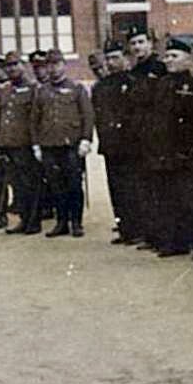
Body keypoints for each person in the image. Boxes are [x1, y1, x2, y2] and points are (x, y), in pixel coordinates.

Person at [146, 37, 193, 259]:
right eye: (167, 56)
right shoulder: (161, 84)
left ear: (187, 59)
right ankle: (175, 242)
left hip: (188, 149)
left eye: (174, 56)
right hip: (166, 149)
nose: (169, 60)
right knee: (169, 197)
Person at [31, 48, 94, 238]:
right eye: (49, 65)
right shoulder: (41, 91)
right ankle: (61, 222)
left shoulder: (76, 88)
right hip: (50, 145)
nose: (53, 69)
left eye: (57, 64)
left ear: (64, 65)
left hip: (71, 144)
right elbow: (34, 120)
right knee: (55, 185)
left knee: (74, 184)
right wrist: (36, 145)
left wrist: (86, 139)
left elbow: (88, 116)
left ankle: (76, 222)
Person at [124, 25, 167, 249]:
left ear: (151, 43)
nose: (137, 47)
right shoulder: (134, 71)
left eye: (141, 42)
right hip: (139, 134)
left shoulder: (159, 67)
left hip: (155, 134)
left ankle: (161, 236)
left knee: (157, 187)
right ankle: (150, 234)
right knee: (143, 186)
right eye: (133, 43)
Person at [92, 38, 138, 244]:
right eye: (108, 58)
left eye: (115, 58)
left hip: (130, 146)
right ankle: (125, 228)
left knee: (133, 187)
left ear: (125, 58)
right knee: (116, 188)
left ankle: (138, 229)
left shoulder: (132, 82)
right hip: (111, 145)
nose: (111, 63)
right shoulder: (100, 87)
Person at [0, 51, 42, 235]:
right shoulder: (6, 89)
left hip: (26, 144)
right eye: (9, 66)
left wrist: (36, 143)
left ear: (23, 66)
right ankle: (24, 219)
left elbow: (36, 117)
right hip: (9, 144)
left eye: (15, 64)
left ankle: (34, 221)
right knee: (18, 186)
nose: (12, 68)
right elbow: (1, 117)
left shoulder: (33, 88)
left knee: (30, 183)